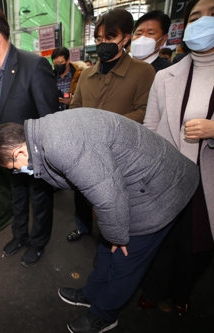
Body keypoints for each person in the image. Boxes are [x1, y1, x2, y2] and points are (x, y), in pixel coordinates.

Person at [0, 109, 199, 333]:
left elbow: (108, 196)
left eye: (14, 168)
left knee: (124, 259)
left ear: (18, 152)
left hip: (160, 188)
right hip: (134, 183)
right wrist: (111, 230)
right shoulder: (42, 133)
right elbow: (98, 181)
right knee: (108, 245)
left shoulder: (59, 145)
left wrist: (118, 236)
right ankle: (93, 293)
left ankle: (104, 315)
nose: (19, 171)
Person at [140, 0, 214, 315]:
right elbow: (150, 125)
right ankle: (154, 291)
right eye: (195, 16)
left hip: (213, 183)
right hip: (170, 175)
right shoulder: (167, 75)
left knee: (197, 247)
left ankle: (182, 292)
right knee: (162, 241)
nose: (203, 21)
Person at [0, 4, 58, 266]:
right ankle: (20, 236)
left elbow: (50, 118)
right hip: (9, 155)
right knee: (16, 196)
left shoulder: (34, 65)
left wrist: (45, 156)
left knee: (39, 199)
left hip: (35, 153)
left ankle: (39, 242)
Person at [67, 8, 156, 243]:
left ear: (126, 38)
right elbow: (75, 106)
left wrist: (109, 127)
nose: (103, 43)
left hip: (119, 153)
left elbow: (145, 111)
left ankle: (109, 245)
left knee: (112, 204)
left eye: (110, 38)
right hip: (86, 149)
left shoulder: (143, 72)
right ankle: (83, 227)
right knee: (82, 194)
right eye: (98, 38)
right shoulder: (86, 75)